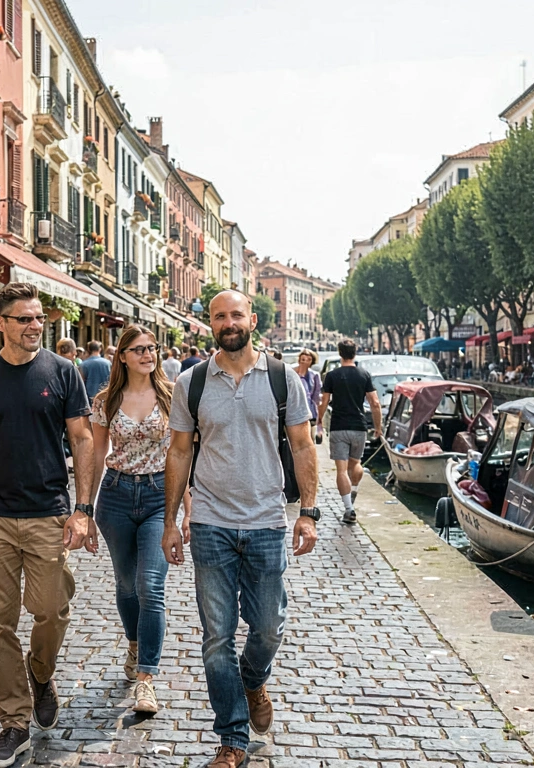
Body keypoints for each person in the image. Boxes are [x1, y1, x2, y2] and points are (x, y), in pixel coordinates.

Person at [162, 291, 319, 768]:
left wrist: (308, 512)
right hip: (210, 522)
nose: (228, 323)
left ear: (251, 319)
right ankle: (231, 738)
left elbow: (303, 444)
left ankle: (253, 678)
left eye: (235, 315)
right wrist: (171, 520)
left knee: (268, 627)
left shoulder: (281, 378)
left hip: (267, 520)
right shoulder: (191, 383)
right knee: (216, 637)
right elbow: (180, 453)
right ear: (209, 323)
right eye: (218, 316)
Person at [0, 283, 95, 768]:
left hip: (49, 511)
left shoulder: (63, 371)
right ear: (1, 323)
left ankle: (41, 671)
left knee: (52, 609)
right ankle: (13, 721)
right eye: (25, 319)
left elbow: (82, 438)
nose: (35, 326)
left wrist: (83, 508)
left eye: (39, 319)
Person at [89, 325, 186, 716]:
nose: (148, 354)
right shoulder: (105, 401)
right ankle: (134, 642)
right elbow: (96, 455)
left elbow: (184, 452)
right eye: (139, 349)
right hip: (113, 496)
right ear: (123, 356)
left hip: (159, 496)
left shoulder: (174, 395)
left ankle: (146, 678)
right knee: (127, 585)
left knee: (150, 585)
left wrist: (187, 508)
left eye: (152, 348)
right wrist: (84, 508)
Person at [318, 339, 381, 524]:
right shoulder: (364, 374)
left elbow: (324, 401)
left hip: (338, 426)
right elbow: (375, 403)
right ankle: (353, 490)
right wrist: (378, 427)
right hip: (359, 427)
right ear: (355, 352)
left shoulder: (332, 375)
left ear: (339, 353)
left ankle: (348, 509)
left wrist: (319, 418)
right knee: (356, 464)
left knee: (341, 470)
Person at [294, 349, 321, 442]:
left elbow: (316, 397)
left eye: (308, 360)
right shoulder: (292, 373)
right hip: (295, 412)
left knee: (310, 440)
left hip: (310, 412)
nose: (305, 362)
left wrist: (319, 421)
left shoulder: (315, 375)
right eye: (303, 359)